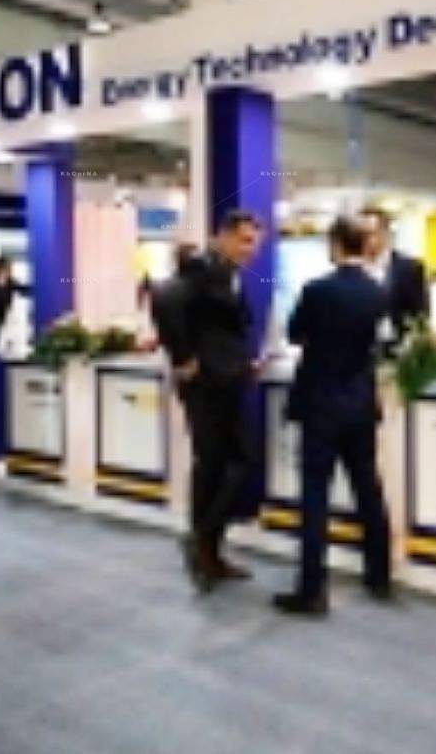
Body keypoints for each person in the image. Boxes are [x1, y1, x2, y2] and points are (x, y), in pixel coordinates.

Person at [275, 215, 393, 616]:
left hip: (320, 404)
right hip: (360, 404)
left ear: (337, 245)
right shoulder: (378, 292)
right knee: (368, 489)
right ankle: (379, 575)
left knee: (315, 497)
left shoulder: (317, 290)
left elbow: (294, 334)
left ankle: (312, 590)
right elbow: (381, 343)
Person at [157, 214, 264, 594]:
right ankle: (202, 541)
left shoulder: (228, 272)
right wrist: (182, 357)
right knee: (222, 462)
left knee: (224, 464)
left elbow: (221, 328)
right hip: (206, 385)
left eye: (255, 241)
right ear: (223, 237)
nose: (251, 249)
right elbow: (164, 299)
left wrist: (244, 363)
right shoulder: (202, 267)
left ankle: (207, 548)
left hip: (228, 379)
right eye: (245, 240)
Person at [360, 206, 429, 346]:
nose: (365, 240)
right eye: (360, 235)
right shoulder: (352, 269)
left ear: (386, 233)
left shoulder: (409, 268)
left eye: (370, 234)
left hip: (399, 346)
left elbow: (420, 315)